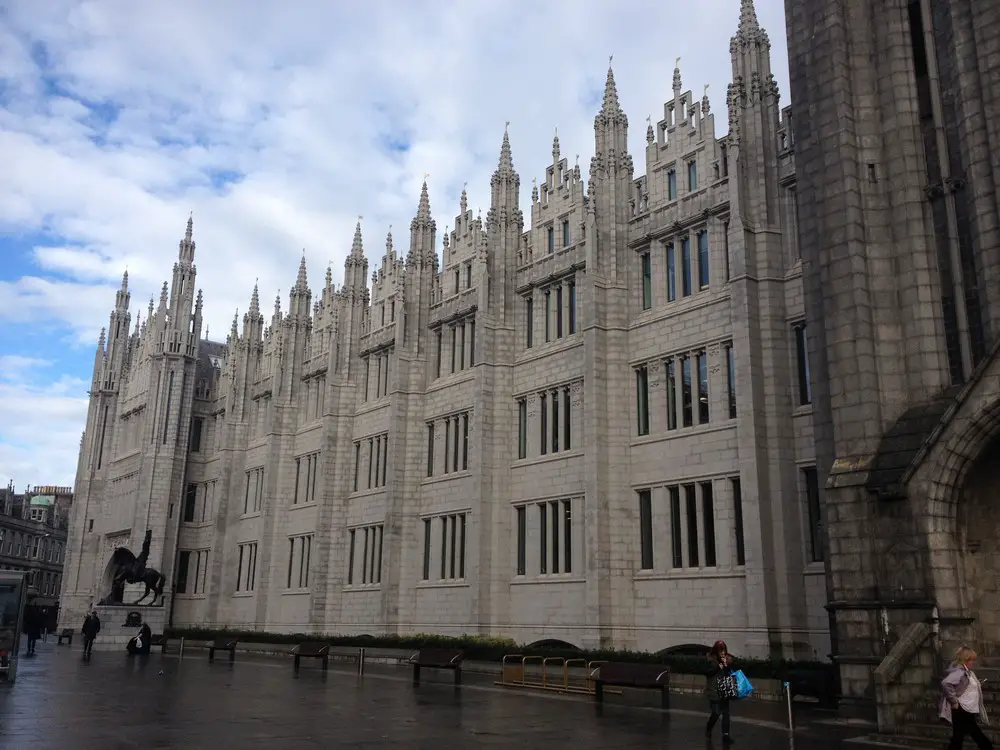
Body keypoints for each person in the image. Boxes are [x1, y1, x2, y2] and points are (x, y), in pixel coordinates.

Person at [940, 645, 993, 749]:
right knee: (975, 736)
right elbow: (945, 683)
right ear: (966, 660)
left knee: (957, 739)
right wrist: (954, 701)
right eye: (971, 660)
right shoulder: (959, 672)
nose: (973, 662)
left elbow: (965, 686)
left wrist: (978, 684)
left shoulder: (968, 672)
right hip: (962, 710)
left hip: (967, 710)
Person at [705, 639, 735, 744]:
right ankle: (709, 728)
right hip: (714, 690)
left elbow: (729, 672)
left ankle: (726, 735)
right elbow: (708, 672)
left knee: (726, 713)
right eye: (720, 650)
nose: (722, 652)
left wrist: (727, 664)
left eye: (723, 650)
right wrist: (719, 666)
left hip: (725, 689)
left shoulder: (726, 659)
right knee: (716, 713)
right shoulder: (710, 660)